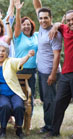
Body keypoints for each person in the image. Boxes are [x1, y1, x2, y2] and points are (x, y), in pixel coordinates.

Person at [0, 41, 35, 138]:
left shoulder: (10, 61)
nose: (0, 53)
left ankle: (19, 129)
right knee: (5, 106)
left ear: (7, 53)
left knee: (19, 106)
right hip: (1, 94)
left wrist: (28, 55)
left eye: (3, 51)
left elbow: (20, 61)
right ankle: (3, 129)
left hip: (14, 93)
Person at [33, 0, 63, 133]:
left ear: (51, 18)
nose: (43, 20)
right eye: (41, 18)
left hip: (50, 72)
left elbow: (57, 55)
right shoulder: (42, 27)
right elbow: (38, 6)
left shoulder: (54, 33)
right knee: (46, 100)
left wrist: (52, 74)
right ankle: (47, 125)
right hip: (41, 71)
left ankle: (51, 128)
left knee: (51, 101)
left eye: (46, 18)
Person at [45, 10, 73, 138]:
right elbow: (57, 24)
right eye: (68, 20)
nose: (71, 22)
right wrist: (56, 26)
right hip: (66, 74)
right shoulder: (65, 29)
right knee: (58, 102)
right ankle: (54, 131)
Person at [13, 0, 38, 114]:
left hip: (32, 70)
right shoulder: (18, 36)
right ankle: (18, 119)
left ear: (32, 25)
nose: (26, 26)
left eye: (28, 24)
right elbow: (17, 24)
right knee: (19, 95)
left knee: (30, 95)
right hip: (20, 70)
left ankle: (29, 119)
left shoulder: (36, 36)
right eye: (24, 24)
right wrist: (18, 11)